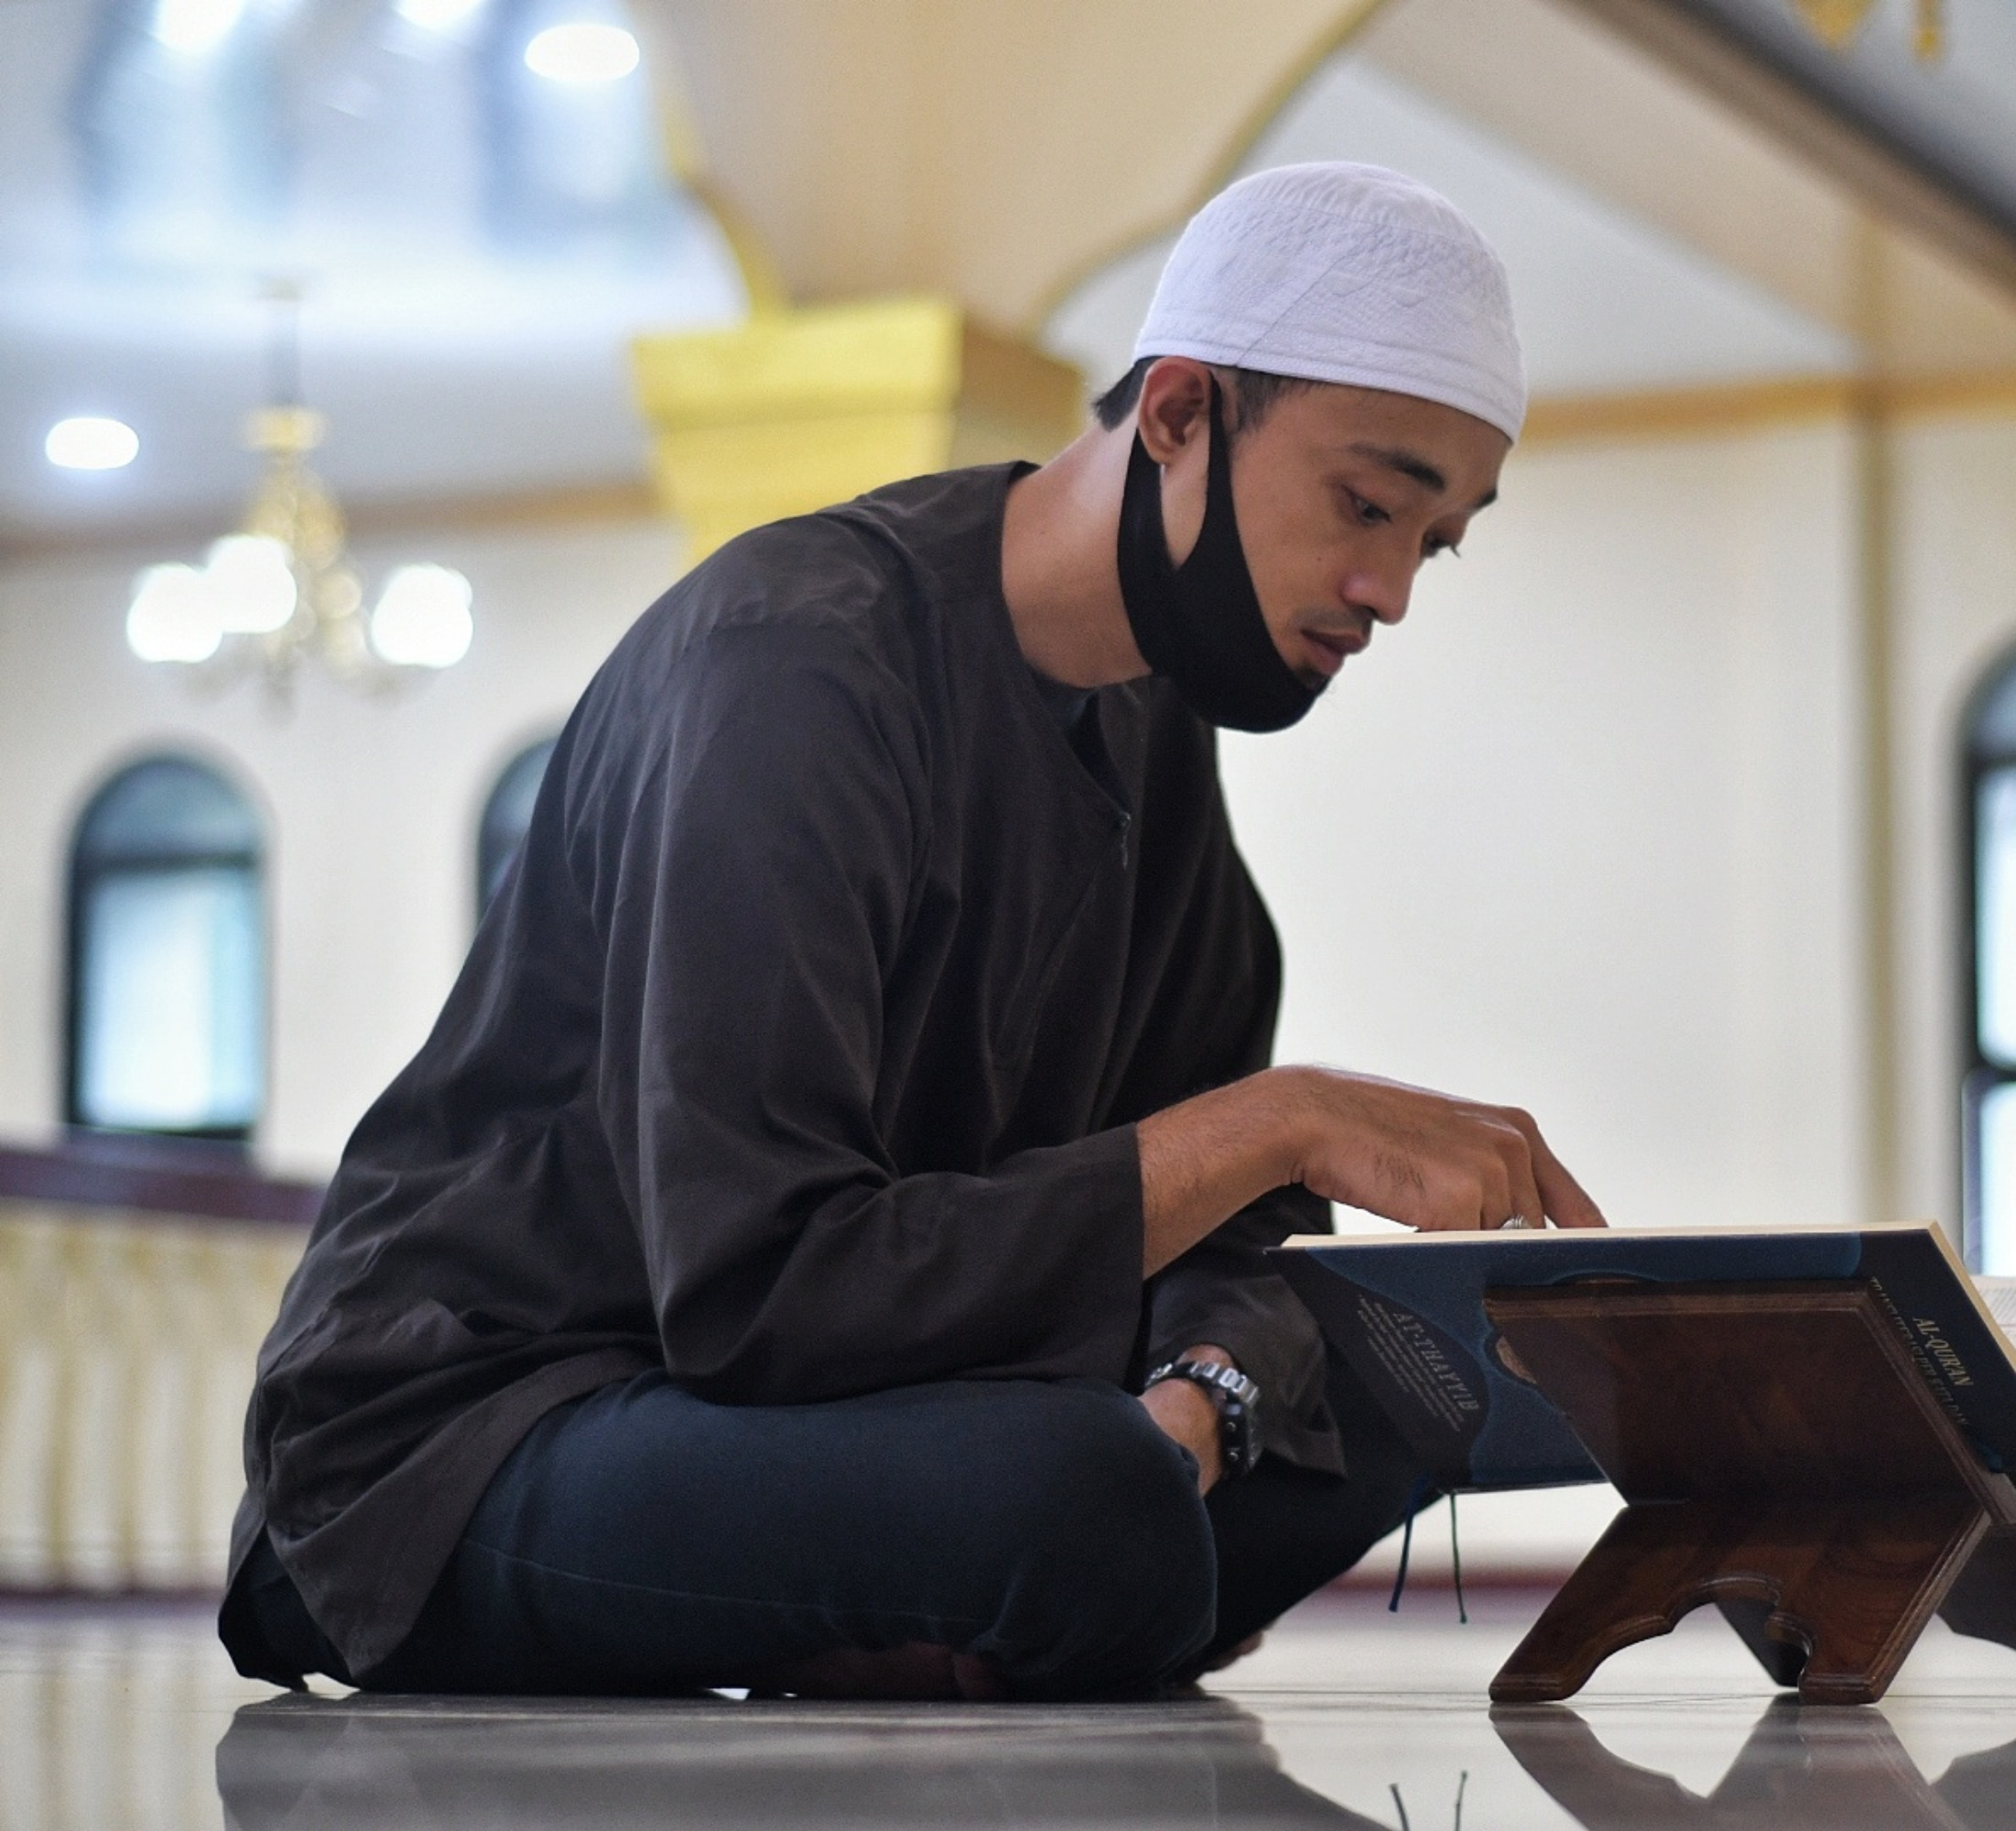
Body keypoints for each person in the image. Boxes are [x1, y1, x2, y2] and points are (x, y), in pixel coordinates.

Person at [218, 161, 1608, 1703]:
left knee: (1435, 1376)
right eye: (1367, 504)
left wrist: (1206, 1397)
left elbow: (1227, 1234)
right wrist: (1278, 1124)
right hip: (482, 1436)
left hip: (853, 1404)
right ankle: (1008, 1597)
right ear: (1178, 414)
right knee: (1078, 1502)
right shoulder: (799, 668)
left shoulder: (1152, 724)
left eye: (1440, 541)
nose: (1392, 592)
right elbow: (758, 1289)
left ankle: (975, 1601)